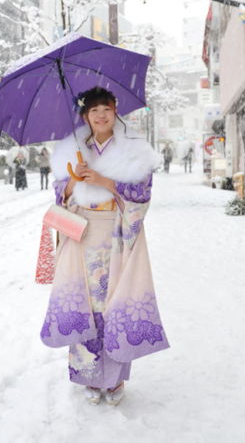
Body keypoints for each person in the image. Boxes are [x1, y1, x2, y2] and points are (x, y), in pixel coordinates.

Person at [44, 86, 169, 406]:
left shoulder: (133, 150)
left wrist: (104, 182)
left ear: (115, 112)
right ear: (85, 116)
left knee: (114, 304)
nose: (101, 115)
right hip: (82, 235)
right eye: (94, 110)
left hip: (115, 234)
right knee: (84, 304)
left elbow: (141, 193)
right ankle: (88, 374)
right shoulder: (73, 149)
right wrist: (75, 178)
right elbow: (61, 193)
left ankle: (113, 380)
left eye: (107, 109)